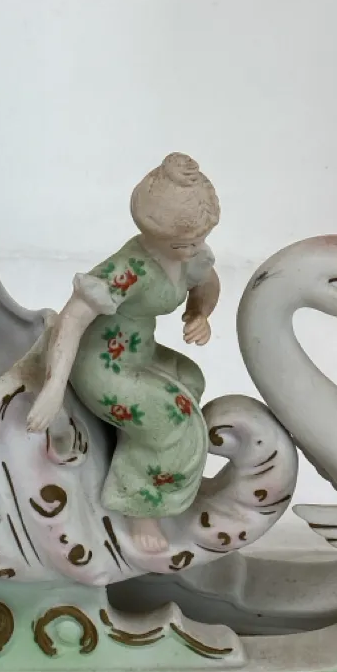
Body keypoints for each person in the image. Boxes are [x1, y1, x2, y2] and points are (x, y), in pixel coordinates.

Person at [27, 153, 220, 551]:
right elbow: (72, 319)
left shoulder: (189, 255)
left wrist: (199, 313)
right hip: (102, 365)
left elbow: (207, 282)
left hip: (138, 353)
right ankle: (139, 507)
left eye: (197, 241)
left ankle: (140, 453)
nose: (191, 250)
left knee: (191, 379)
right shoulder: (129, 268)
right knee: (171, 417)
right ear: (152, 232)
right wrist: (53, 387)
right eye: (181, 244)